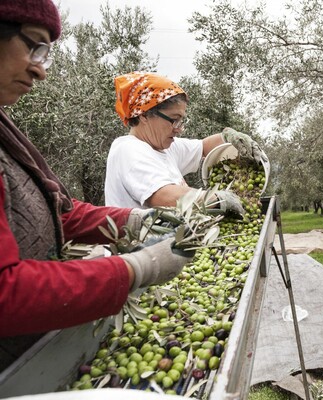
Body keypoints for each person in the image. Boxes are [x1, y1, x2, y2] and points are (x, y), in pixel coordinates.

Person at [0, 0, 193, 369]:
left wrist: (133, 221)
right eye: (33, 45)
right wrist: (135, 269)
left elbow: (60, 214)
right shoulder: (131, 150)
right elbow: (5, 293)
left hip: (34, 348)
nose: (40, 71)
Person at [104, 71, 265, 211]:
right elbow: (164, 197)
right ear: (144, 116)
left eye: (181, 121)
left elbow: (204, 146)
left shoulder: (165, 147)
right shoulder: (128, 150)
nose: (179, 128)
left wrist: (230, 136)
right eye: (174, 120)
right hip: (143, 247)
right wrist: (217, 198)